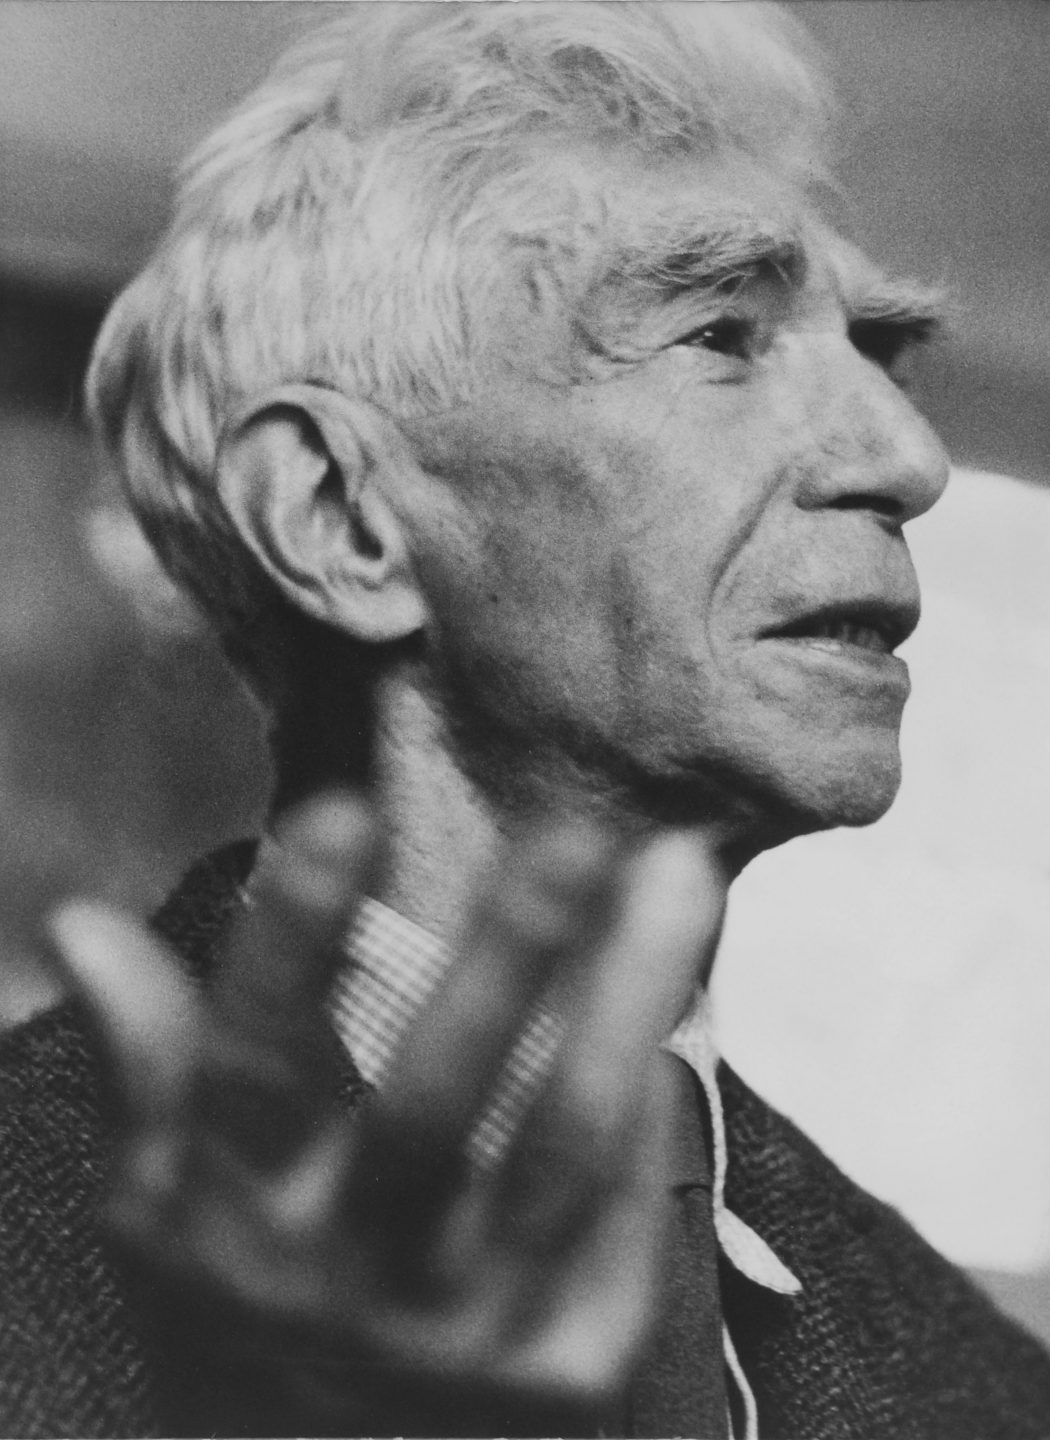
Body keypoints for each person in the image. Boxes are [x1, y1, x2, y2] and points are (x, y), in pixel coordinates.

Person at [2, 5, 1049, 1437]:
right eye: (721, 335)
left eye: (883, 354)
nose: (907, 458)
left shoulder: (985, 1387)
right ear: (340, 517)